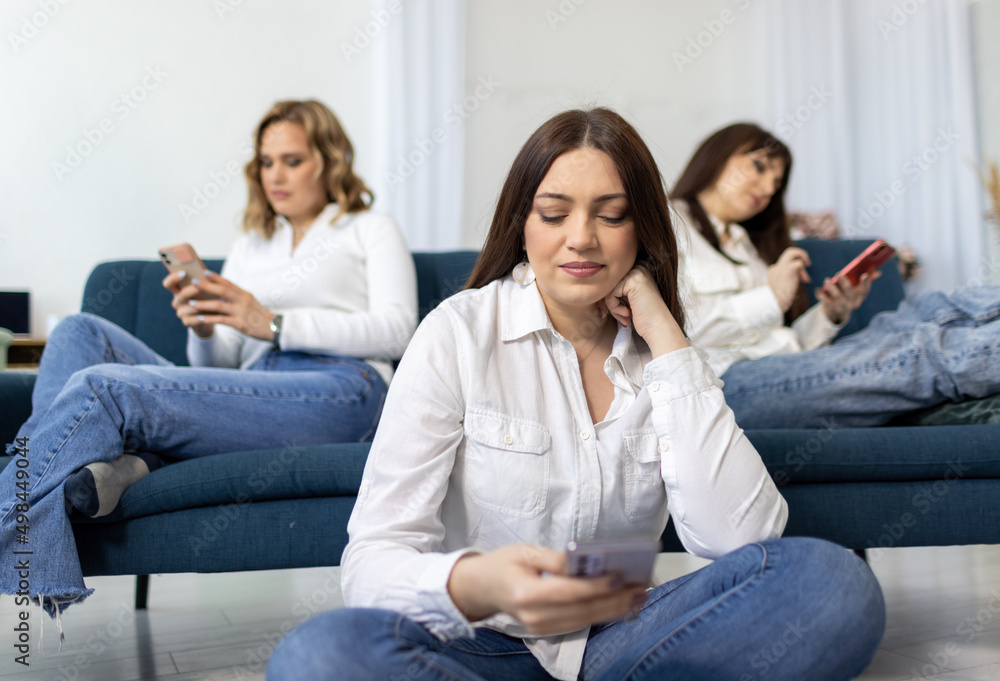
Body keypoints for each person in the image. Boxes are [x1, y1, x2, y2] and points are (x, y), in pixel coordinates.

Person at [266, 108, 885, 681]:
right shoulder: (458, 331)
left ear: (643, 229)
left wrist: (667, 337)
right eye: (555, 214)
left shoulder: (663, 358)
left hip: (618, 635)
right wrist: (478, 582)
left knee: (832, 583)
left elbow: (741, 539)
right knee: (320, 653)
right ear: (523, 224)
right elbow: (372, 559)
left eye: (612, 215)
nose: (582, 238)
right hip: (472, 643)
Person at [0, 99, 417, 616]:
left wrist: (271, 323)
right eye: (266, 162)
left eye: (292, 160)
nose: (275, 176)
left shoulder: (368, 227)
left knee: (104, 386)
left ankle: (22, 494)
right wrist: (202, 326)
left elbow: (400, 331)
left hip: (341, 388)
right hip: (254, 388)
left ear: (329, 161)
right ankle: (107, 471)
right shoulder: (252, 245)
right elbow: (218, 366)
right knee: (77, 332)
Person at [671, 122, 1000, 429]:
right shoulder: (664, 226)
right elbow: (676, 338)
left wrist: (830, 315)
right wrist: (771, 298)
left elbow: (787, 344)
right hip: (724, 385)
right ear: (716, 155)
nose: (768, 188)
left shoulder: (747, 247)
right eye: (759, 166)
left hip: (784, 366)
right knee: (922, 354)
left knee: (929, 310)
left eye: (776, 183)